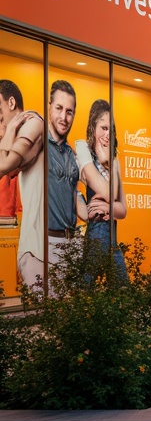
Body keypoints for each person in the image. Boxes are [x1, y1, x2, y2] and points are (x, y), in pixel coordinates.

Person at [0, 79, 46, 288]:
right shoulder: (21, 131)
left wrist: (8, 132)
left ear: (10, 103)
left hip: (38, 248)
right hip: (34, 244)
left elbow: (3, 167)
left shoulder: (32, 123)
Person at [75, 100, 127, 278]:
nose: (107, 134)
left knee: (122, 289)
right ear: (93, 127)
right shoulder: (85, 156)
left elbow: (122, 210)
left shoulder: (115, 161)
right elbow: (108, 195)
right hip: (96, 229)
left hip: (112, 235)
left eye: (111, 129)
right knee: (87, 287)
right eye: (103, 128)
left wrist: (107, 207)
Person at [45, 81, 84, 286]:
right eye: (59, 108)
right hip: (48, 242)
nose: (64, 117)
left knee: (71, 313)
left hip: (73, 243)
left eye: (69, 112)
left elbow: (75, 194)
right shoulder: (39, 145)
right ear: (49, 107)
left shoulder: (71, 154)